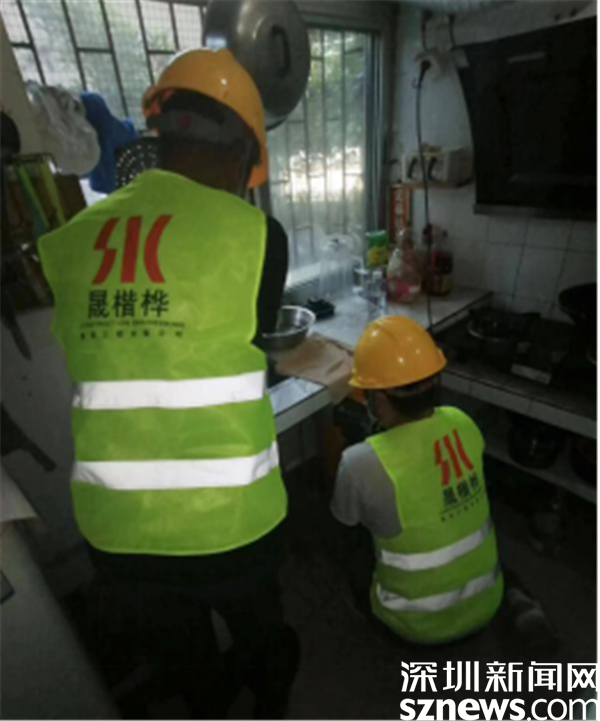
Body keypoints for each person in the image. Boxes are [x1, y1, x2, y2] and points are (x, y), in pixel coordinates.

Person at [39, 48, 298, 718]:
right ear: (242, 152)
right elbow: (250, 343)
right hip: (232, 523)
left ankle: (208, 703)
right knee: (262, 636)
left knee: (183, 656)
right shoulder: (259, 237)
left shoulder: (71, 239)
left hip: (118, 531)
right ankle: (270, 703)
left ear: (160, 133)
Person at [331, 315, 504, 645]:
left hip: (415, 625)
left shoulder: (359, 463)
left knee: (348, 541)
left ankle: (368, 612)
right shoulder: (463, 422)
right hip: (487, 601)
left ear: (379, 400)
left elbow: (345, 522)